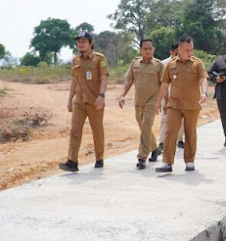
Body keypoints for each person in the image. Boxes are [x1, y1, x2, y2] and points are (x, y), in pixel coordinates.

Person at [155, 36, 208, 172]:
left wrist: (204, 93)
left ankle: (189, 161)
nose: (189, 53)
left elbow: (203, 79)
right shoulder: (170, 65)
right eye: (186, 50)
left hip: (192, 105)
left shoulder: (197, 63)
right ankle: (167, 162)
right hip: (174, 105)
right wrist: (158, 102)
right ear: (179, 49)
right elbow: (164, 85)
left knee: (190, 133)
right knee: (170, 132)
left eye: (191, 50)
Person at [59, 31, 109, 172]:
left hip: (95, 101)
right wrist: (69, 100)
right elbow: (74, 81)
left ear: (91, 43)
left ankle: (99, 158)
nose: (81, 44)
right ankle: (72, 161)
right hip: (79, 102)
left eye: (84, 41)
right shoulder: (75, 60)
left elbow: (104, 77)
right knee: (75, 131)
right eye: (79, 41)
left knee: (97, 131)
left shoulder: (99, 59)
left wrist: (102, 95)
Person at [118, 39, 164, 169]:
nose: (148, 51)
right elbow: (129, 80)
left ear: (154, 49)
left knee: (145, 127)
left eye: (150, 48)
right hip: (139, 101)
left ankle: (142, 157)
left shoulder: (159, 65)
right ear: (140, 50)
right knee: (143, 127)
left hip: (152, 101)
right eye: (145, 48)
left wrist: (161, 101)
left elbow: (164, 85)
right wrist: (122, 95)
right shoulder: (135, 63)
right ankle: (155, 149)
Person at [159, 43, 185, 150]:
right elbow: (161, 83)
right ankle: (162, 141)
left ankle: (179, 139)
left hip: (181, 96)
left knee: (182, 119)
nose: (178, 55)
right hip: (167, 94)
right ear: (171, 52)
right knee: (165, 118)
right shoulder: (164, 64)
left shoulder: (185, 63)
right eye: (176, 53)